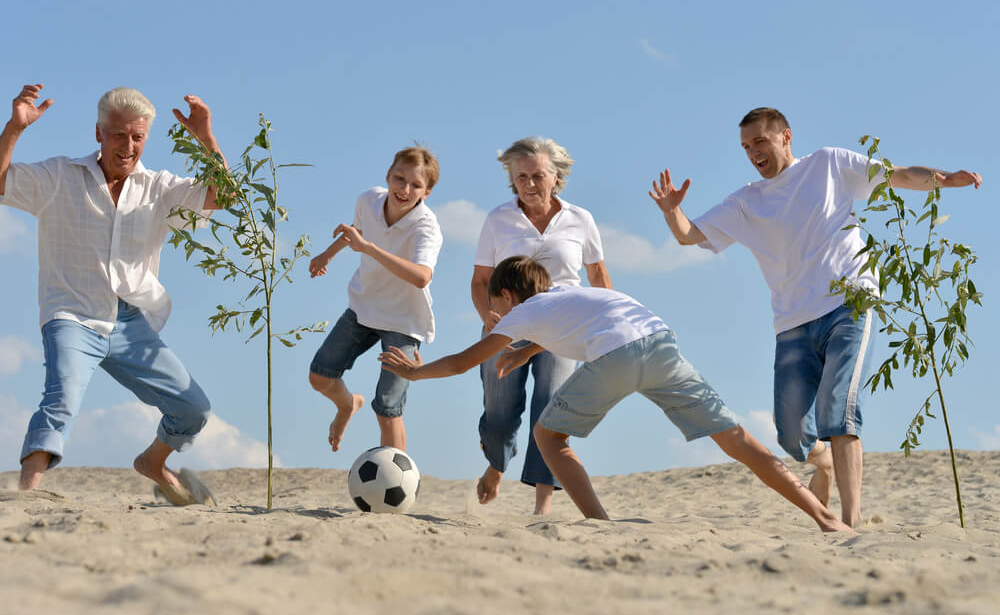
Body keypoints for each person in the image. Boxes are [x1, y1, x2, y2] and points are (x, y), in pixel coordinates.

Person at [649, 107, 983, 527]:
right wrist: (670, 211)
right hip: (791, 323)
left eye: (760, 142)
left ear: (786, 137)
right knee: (790, 432)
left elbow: (898, 174)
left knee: (838, 408)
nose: (753, 152)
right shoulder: (746, 201)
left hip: (850, 305)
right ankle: (822, 466)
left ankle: (852, 521)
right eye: (746, 147)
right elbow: (688, 235)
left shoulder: (828, 164)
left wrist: (946, 179)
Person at [380, 256, 851, 531]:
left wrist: (415, 374)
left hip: (619, 353)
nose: (493, 313)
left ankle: (599, 524)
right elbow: (576, 325)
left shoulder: (523, 312)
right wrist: (526, 354)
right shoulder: (567, 296)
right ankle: (824, 517)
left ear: (506, 296)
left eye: (493, 305)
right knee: (738, 441)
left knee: (550, 438)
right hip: (662, 343)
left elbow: (465, 361)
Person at [0, 84, 227, 504]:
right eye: (119, 135)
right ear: (99, 133)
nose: (128, 146)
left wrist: (206, 138)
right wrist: (14, 129)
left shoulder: (159, 188)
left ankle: (153, 463)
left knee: (194, 407)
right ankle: (25, 494)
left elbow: (222, 197)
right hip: (71, 314)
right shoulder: (59, 176)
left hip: (130, 323)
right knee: (61, 397)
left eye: (137, 137)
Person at [471, 137, 612, 515]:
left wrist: (605, 325)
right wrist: (488, 315)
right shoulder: (498, 219)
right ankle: (497, 464)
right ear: (511, 179)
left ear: (556, 177)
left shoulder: (580, 219)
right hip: (507, 325)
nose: (530, 184)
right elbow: (481, 280)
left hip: (564, 327)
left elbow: (598, 274)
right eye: (521, 177)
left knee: (550, 409)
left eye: (538, 176)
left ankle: (542, 504)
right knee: (498, 414)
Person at [307, 146, 442, 454]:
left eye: (416, 185)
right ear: (388, 176)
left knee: (387, 407)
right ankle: (347, 406)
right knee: (319, 376)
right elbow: (356, 231)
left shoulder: (427, 227)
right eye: (399, 179)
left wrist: (367, 248)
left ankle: (396, 491)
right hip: (364, 307)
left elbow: (422, 276)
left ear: (427, 192)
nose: (405, 189)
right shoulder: (368, 200)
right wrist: (326, 254)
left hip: (403, 321)